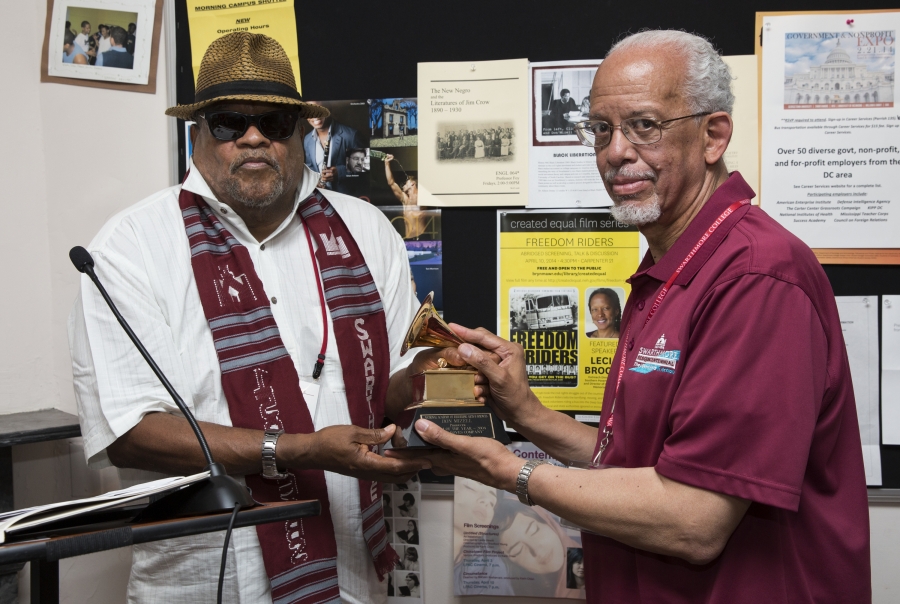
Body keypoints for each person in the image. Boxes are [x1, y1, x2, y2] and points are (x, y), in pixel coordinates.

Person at [388, 29, 870, 603]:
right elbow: (634, 462)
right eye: (600, 129)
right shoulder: (671, 267)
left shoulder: (756, 276)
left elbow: (694, 520)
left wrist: (510, 470)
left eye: (645, 125)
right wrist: (528, 414)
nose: (616, 152)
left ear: (713, 135)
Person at [68, 31, 453, 604]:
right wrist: (300, 450)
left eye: (273, 122)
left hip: (350, 563)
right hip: (208, 576)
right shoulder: (130, 247)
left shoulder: (367, 229)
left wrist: (440, 373)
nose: (253, 138)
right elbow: (131, 432)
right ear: (198, 133)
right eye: (228, 122)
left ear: (300, 133)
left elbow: (388, 388)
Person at [303, 104, 364, 194]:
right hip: (321, 199)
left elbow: (363, 170)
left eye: (319, 109)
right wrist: (315, 183)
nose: (315, 115)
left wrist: (339, 173)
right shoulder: (307, 140)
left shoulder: (351, 135)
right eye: (310, 111)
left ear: (328, 109)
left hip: (347, 199)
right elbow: (311, 171)